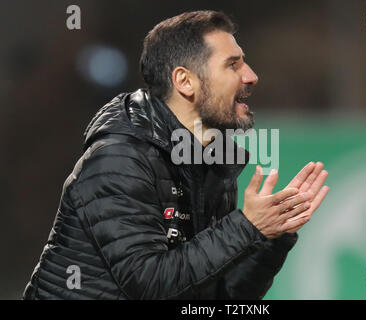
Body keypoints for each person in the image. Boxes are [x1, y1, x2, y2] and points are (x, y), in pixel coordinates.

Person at [23, 10, 329, 300]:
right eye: (232, 64)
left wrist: (271, 238)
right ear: (184, 81)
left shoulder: (213, 161)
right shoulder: (120, 159)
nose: (251, 76)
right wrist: (247, 226)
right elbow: (150, 285)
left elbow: (217, 297)